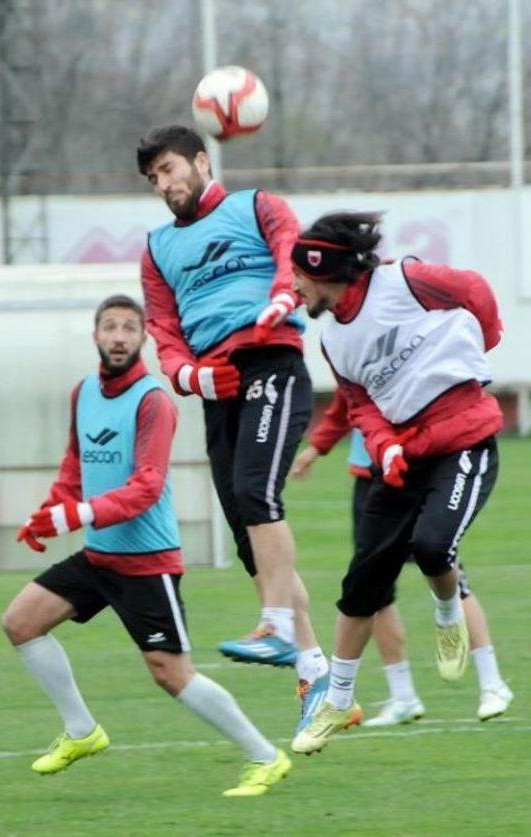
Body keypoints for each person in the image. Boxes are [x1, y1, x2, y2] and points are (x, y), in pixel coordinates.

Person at [2, 294, 291, 797]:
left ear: (142, 339)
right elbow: (77, 466)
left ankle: (265, 756)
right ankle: (81, 731)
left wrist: (79, 514)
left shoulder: (153, 400)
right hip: (98, 556)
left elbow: (147, 486)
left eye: (128, 328)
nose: (118, 336)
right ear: (95, 336)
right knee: (21, 623)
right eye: (109, 327)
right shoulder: (83, 393)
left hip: (146, 564)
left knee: (172, 675)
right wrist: (48, 514)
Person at [288, 211, 507, 755]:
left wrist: (488, 338)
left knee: (433, 546)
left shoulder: (402, 280)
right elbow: (359, 404)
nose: (293, 289)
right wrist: (383, 443)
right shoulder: (332, 341)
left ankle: (447, 613)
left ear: (322, 270)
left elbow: (474, 289)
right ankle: (337, 699)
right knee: (362, 581)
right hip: (405, 455)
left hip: (466, 440)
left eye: (297, 278)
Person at [136, 125, 329, 732]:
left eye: (169, 169)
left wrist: (280, 298)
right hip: (216, 388)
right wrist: (191, 377)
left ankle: (275, 626)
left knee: (255, 494)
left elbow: (289, 253)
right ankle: (319, 673)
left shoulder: (256, 205)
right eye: (153, 179)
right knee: (249, 535)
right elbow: (164, 333)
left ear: (200, 160)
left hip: (270, 362)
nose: (165, 185)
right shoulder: (156, 247)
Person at [292, 387, 513, 724]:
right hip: (371, 478)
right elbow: (347, 403)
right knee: (375, 591)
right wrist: (317, 448)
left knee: (446, 568)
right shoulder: (356, 349)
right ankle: (403, 695)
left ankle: (492, 683)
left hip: (419, 468)